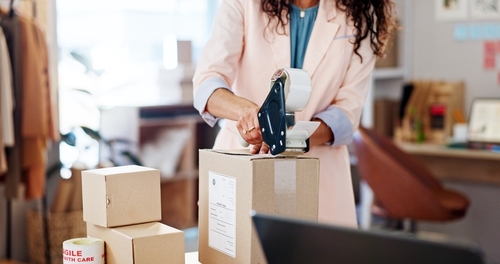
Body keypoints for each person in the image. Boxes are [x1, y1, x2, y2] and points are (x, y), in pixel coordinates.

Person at [193, 0, 397, 228]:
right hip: (244, 159)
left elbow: (347, 113)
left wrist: (290, 140)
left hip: (318, 169)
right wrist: (250, 113)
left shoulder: (362, 13)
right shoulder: (243, 3)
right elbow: (206, 84)